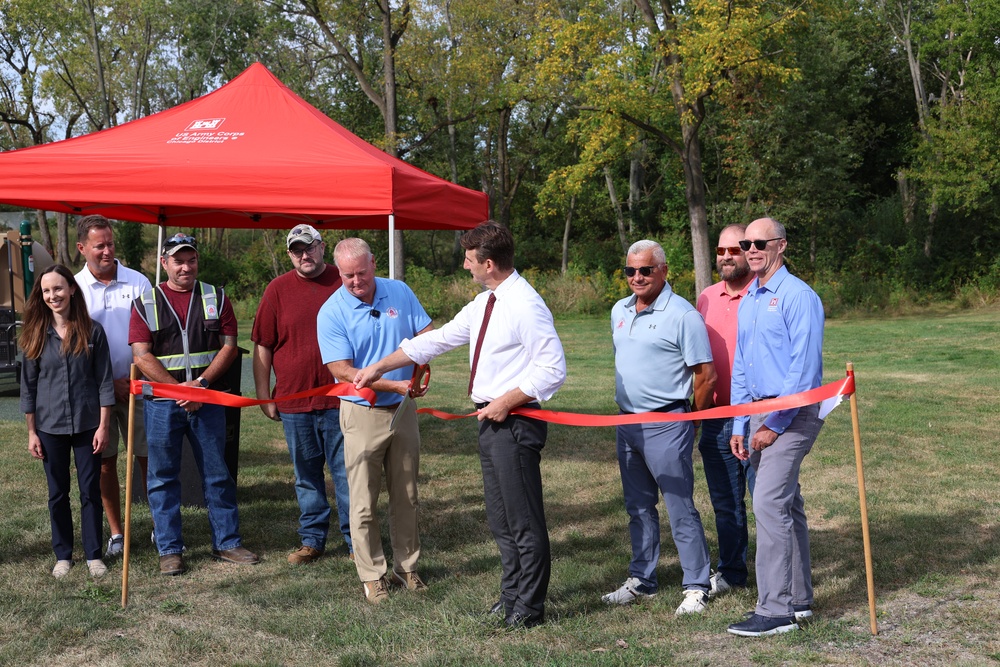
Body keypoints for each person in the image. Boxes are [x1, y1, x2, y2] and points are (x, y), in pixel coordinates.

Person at [354, 222, 567, 628]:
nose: (465, 267)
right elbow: (440, 338)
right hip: (492, 422)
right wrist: (380, 365)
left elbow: (553, 368)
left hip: (515, 422)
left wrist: (507, 400)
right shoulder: (486, 301)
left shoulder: (525, 303)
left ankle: (530, 607)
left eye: (469, 261)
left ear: (489, 263)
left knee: (522, 522)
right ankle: (510, 597)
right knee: (501, 519)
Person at [129, 233, 258, 576]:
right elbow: (141, 355)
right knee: (162, 477)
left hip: (208, 399)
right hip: (161, 404)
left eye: (191, 260)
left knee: (218, 473)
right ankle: (170, 549)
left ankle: (228, 542)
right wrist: (177, 390)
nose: (186, 267)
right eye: (178, 260)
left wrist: (200, 386)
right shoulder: (147, 301)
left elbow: (229, 347)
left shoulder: (216, 296)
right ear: (164, 263)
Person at [316, 238, 433, 603]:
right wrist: (392, 382)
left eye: (361, 273)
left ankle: (407, 567)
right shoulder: (331, 311)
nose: (355, 281)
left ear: (374, 264)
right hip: (361, 410)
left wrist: (421, 371)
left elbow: (427, 335)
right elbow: (341, 369)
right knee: (363, 499)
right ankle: (371, 575)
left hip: (402, 409)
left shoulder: (398, 290)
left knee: (408, 493)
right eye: (347, 275)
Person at [604, 240, 716, 615]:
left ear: (664, 271)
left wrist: (690, 421)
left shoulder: (683, 315)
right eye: (630, 271)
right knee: (638, 505)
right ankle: (643, 580)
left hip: (668, 421)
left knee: (679, 505)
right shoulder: (618, 310)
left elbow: (705, 376)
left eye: (646, 270)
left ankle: (697, 584)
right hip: (627, 422)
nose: (637, 277)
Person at [726, 217, 825, 637]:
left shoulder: (798, 296)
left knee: (767, 503)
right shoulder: (750, 296)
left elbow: (804, 370)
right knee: (787, 504)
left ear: (780, 246)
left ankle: (776, 610)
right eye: (746, 243)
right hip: (758, 414)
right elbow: (743, 367)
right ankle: (799, 600)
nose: (750, 249)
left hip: (793, 413)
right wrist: (739, 422)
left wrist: (774, 424)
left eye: (759, 242)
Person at [251, 224, 353, 564]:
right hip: (294, 403)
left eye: (309, 247)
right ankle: (312, 541)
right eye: (296, 250)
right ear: (290, 254)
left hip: (342, 398)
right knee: (307, 478)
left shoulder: (346, 280)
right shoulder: (277, 290)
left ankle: (357, 544)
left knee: (347, 474)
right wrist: (265, 395)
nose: (304, 255)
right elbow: (263, 345)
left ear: (322, 247)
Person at [20, 265, 115, 579]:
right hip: (49, 427)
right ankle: (63, 555)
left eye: (58, 289)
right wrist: (32, 432)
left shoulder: (93, 331)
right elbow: (28, 387)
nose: (52, 296)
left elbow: (103, 382)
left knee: (90, 490)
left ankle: (93, 555)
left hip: (89, 425)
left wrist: (103, 426)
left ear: (72, 289)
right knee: (57, 492)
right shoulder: (35, 333)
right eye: (46, 291)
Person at [74, 214, 153, 561]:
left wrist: (134, 380)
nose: (107, 251)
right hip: (97, 394)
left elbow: (153, 337)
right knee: (105, 464)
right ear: (82, 249)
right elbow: (73, 348)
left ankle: (159, 525)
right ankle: (117, 533)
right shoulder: (73, 289)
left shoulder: (138, 283)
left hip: (139, 386)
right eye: (99, 245)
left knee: (149, 459)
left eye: (110, 243)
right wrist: (107, 385)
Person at [695, 224, 756, 597]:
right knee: (725, 503)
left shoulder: (763, 295)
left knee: (768, 500)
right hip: (716, 417)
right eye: (720, 251)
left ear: (749, 251)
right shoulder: (705, 297)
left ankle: (779, 573)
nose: (726, 257)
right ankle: (733, 572)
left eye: (734, 250)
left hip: (759, 415)